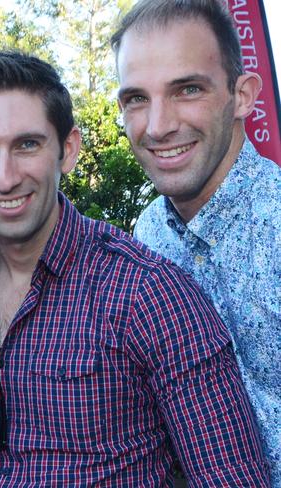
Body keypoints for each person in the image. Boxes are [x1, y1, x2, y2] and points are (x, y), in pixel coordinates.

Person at [0, 49, 270, 486]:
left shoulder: (151, 293)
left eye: (27, 145)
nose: (5, 176)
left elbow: (230, 477)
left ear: (68, 150)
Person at [111, 0, 280, 484]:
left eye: (187, 89)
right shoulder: (147, 235)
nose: (158, 125)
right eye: (136, 99)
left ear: (243, 95)